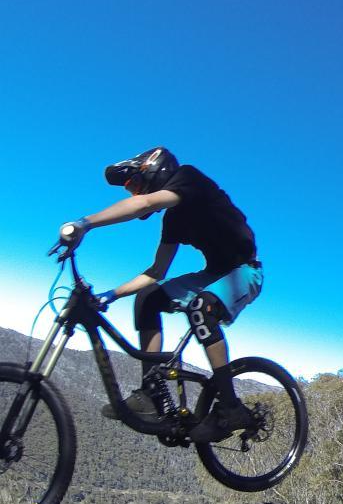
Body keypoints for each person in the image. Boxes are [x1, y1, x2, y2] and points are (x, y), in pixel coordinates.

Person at [54, 147, 263, 443]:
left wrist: (85, 223)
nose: (134, 194)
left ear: (155, 169)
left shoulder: (189, 177)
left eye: (134, 185)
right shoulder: (172, 220)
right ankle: (151, 392)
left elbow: (146, 203)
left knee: (201, 308)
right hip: (213, 274)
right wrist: (111, 295)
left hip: (245, 271)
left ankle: (231, 408)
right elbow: (156, 272)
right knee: (149, 298)